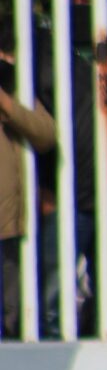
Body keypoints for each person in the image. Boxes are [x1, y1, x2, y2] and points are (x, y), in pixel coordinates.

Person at [0, 30, 57, 339]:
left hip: (9, 226)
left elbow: (46, 134)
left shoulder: (14, 90)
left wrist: (8, 105)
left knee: (12, 316)